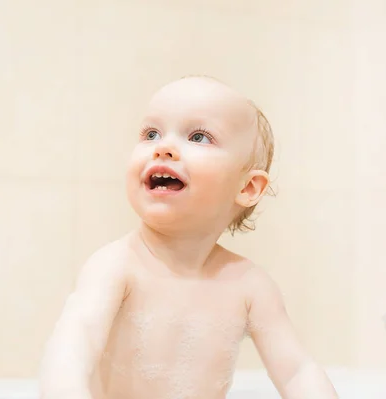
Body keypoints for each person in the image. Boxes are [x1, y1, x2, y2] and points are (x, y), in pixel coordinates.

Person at [39, 76, 338, 399]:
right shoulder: (118, 266)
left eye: (198, 136)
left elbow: (297, 371)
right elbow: (74, 345)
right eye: (151, 134)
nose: (162, 148)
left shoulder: (249, 286)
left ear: (247, 187)